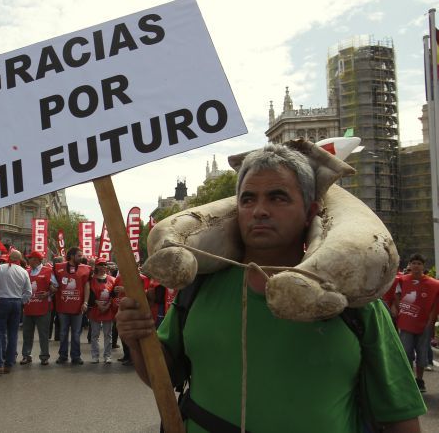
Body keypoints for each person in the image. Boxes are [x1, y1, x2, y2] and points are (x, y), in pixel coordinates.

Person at [116, 143, 425, 432]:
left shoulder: (356, 303)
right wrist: (136, 339)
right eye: (248, 199)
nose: (260, 210)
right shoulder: (198, 289)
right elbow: (163, 376)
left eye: (278, 197)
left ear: (310, 212)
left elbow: (399, 418)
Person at [394, 253, 439, 393]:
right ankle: (407, 379)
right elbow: (396, 294)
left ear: (423, 266)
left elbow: (435, 305)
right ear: (410, 265)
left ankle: (419, 380)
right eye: (413, 263)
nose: (416, 266)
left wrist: (431, 321)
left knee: (422, 353)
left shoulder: (434, 284)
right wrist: (399, 308)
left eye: (419, 263)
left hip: (423, 325)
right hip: (406, 323)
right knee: (406, 352)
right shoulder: (402, 280)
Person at [0, 250, 32, 376]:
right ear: (20, 259)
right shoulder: (24, 271)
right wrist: (21, 301)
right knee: (13, 334)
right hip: (16, 302)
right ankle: (9, 364)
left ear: (9, 257)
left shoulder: (1, 267)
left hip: (2, 301)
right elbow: (28, 292)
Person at [53, 247, 91, 365]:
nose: (82, 257)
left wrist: (85, 302)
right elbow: (53, 283)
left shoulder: (86, 269)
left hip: (78, 307)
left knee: (76, 333)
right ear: (72, 256)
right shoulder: (58, 267)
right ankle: (63, 356)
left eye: (82, 255)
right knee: (63, 333)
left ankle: (76, 356)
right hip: (62, 307)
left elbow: (87, 286)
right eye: (79, 255)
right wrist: (51, 288)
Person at [20, 250, 56, 366]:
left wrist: (48, 294)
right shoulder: (27, 271)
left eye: (30, 258)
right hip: (28, 308)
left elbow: (55, 287)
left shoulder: (48, 271)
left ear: (35, 259)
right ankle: (26, 356)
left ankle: (44, 356)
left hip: (43, 308)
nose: (28, 260)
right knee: (27, 333)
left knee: (43, 334)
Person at [87, 258, 116, 364]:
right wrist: (97, 303)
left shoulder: (112, 279)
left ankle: (107, 356)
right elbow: (89, 294)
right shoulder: (91, 280)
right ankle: (95, 356)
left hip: (108, 310)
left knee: (108, 334)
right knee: (95, 334)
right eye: (101, 264)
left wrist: (107, 305)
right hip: (95, 309)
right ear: (97, 266)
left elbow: (114, 295)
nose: (103, 266)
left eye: (104, 264)